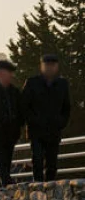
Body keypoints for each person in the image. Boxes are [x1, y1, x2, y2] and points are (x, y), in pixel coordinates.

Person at [23, 54, 71, 182]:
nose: (50, 68)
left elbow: (66, 107)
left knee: (52, 162)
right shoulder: (32, 83)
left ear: (57, 67)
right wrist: (33, 120)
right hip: (36, 130)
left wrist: (61, 122)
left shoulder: (62, 84)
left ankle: (50, 186)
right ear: (42, 66)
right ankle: (38, 184)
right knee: (37, 159)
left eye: (53, 65)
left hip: (54, 129)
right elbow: (23, 106)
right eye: (47, 65)